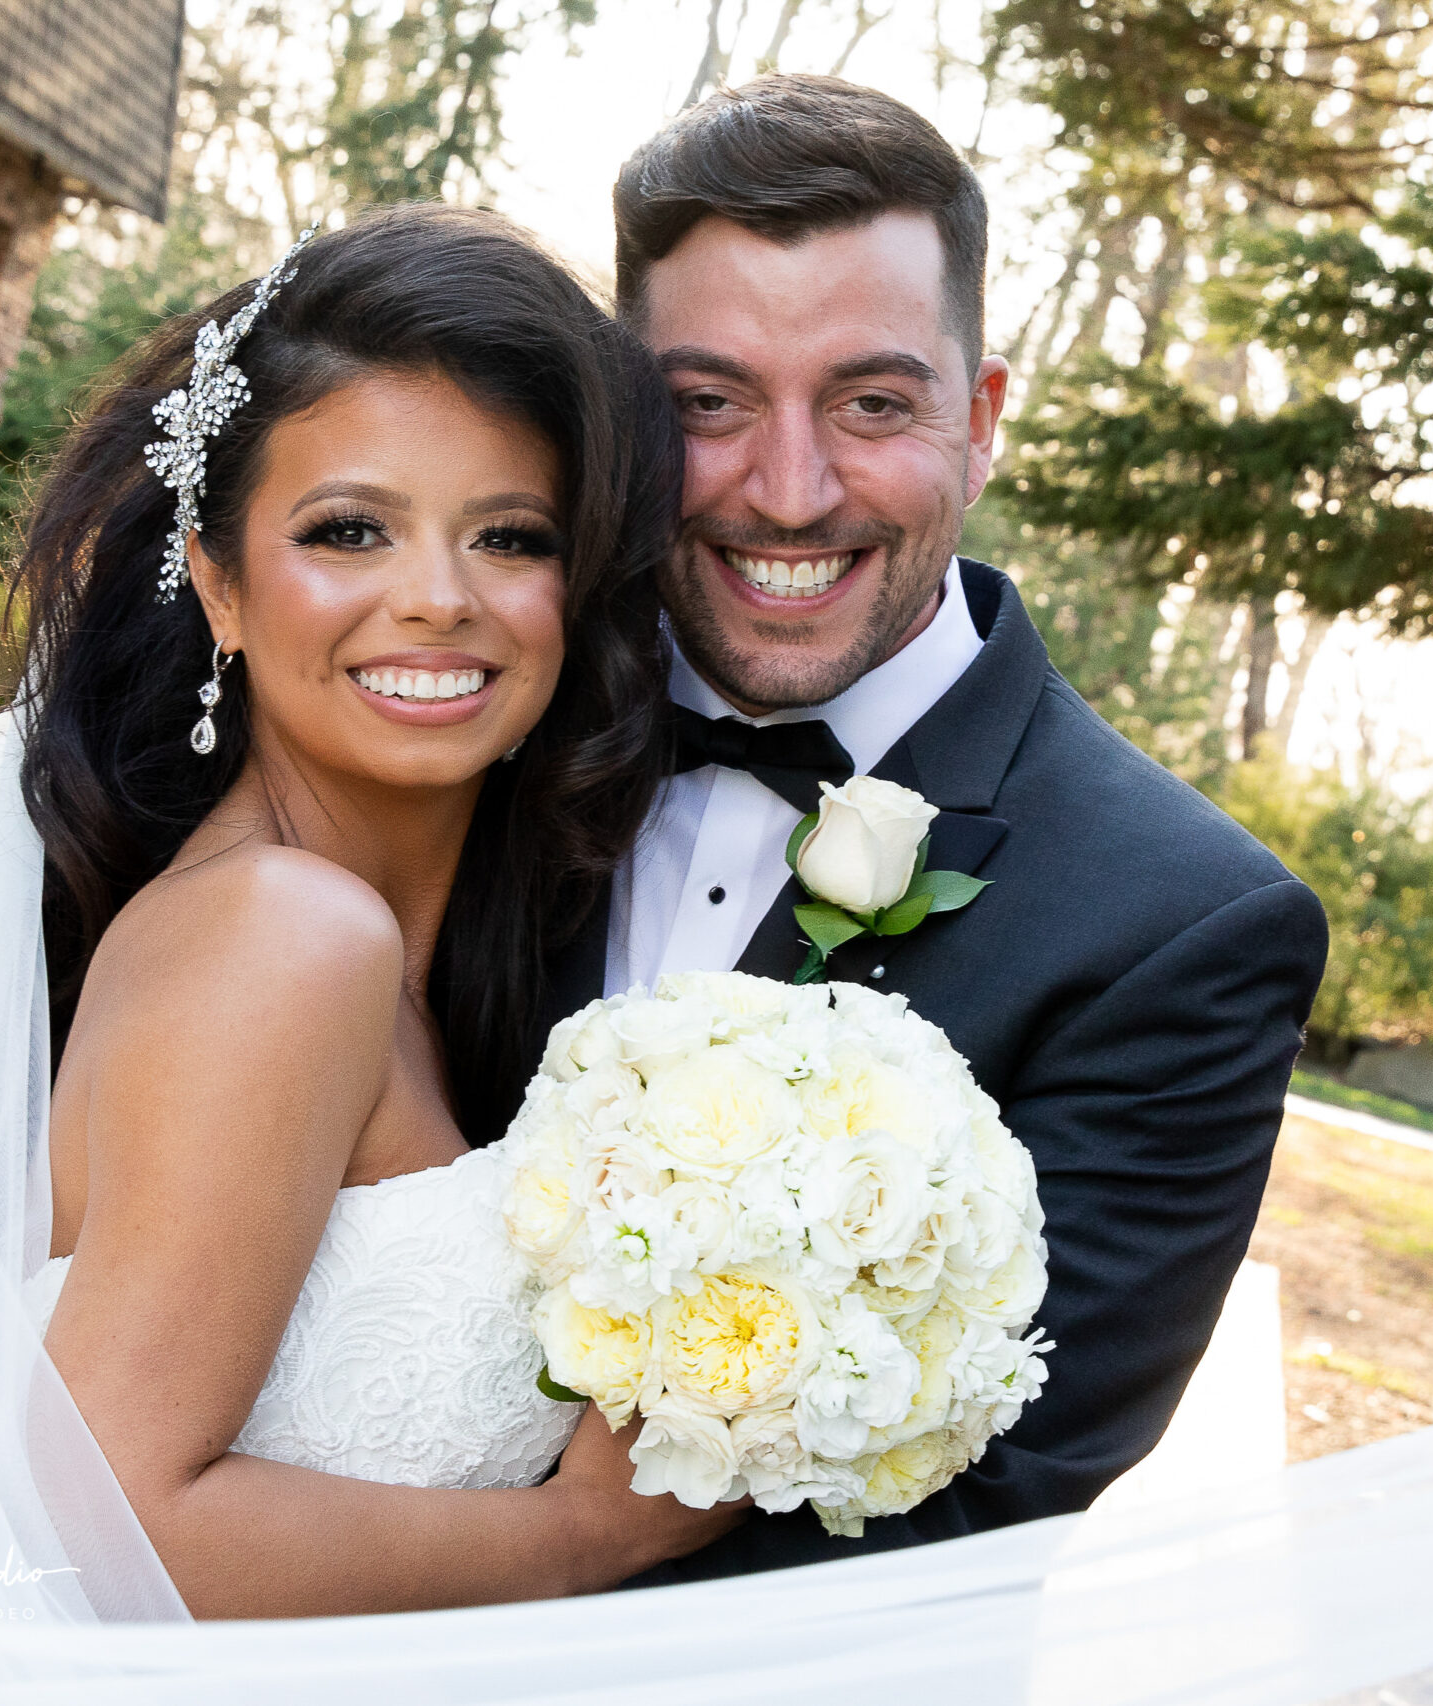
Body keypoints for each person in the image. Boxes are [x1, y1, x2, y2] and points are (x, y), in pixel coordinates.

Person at [0, 204, 734, 1662]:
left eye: (510, 535)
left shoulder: (354, 944)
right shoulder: (288, 940)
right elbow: (87, 1524)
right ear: (220, 582)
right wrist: (581, 1536)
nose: (437, 594)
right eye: (348, 528)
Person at [534, 75, 1330, 1584]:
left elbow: (971, 1511)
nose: (787, 488)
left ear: (982, 422)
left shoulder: (1185, 928)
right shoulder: (486, 710)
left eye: (873, 404)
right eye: (706, 403)